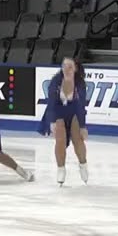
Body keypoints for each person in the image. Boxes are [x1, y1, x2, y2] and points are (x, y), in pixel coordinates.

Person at [39, 57, 89, 185]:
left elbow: (81, 106)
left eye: (70, 66)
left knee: (77, 139)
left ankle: (83, 164)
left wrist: (82, 126)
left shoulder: (80, 84)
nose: (66, 69)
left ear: (75, 69)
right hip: (58, 110)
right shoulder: (55, 81)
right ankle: (61, 169)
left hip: (74, 110)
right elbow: (51, 103)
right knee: (60, 139)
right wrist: (52, 122)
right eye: (64, 66)